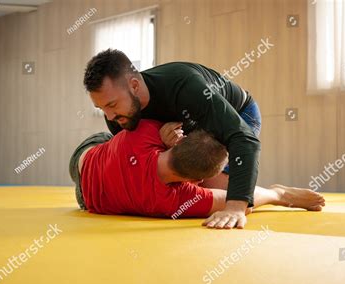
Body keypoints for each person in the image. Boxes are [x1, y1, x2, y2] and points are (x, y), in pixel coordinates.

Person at [83, 49, 262, 228]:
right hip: (192, 126)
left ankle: (277, 194)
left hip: (240, 112)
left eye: (111, 104)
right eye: (101, 108)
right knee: (195, 182)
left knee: (221, 192)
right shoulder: (117, 116)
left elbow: (243, 138)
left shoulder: (185, 86)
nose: (109, 116)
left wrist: (236, 206)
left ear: (135, 86)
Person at [69, 120, 325, 228]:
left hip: (87, 164)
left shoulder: (145, 131)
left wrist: (163, 132)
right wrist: (275, 195)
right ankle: (277, 190)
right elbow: (233, 199)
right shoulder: (176, 201)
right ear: (195, 182)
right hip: (89, 174)